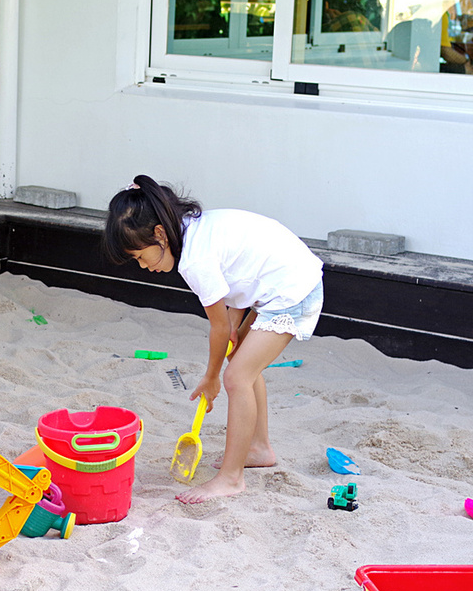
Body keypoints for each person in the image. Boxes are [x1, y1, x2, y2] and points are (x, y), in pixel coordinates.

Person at [102, 176, 324, 503]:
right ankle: (259, 447)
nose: (143, 265)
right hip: (277, 282)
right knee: (242, 361)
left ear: (160, 234)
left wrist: (210, 378)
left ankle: (231, 479)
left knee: (236, 377)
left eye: (139, 256)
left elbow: (219, 329)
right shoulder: (191, 228)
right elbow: (235, 284)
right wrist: (233, 330)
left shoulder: (194, 261)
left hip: (292, 291)